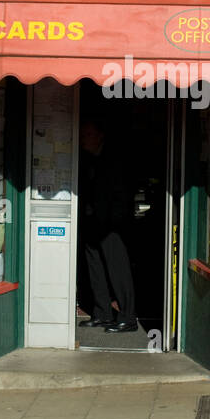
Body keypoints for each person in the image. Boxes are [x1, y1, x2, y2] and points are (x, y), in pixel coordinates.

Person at [78, 117, 137, 332]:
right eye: (83, 135)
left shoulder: (113, 160)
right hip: (92, 222)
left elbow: (122, 194)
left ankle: (127, 317)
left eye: (89, 135)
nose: (84, 139)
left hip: (111, 226)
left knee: (118, 270)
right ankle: (102, 313)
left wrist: (114, 223)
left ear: (100, 136)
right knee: (96, 269)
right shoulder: (86, 160)